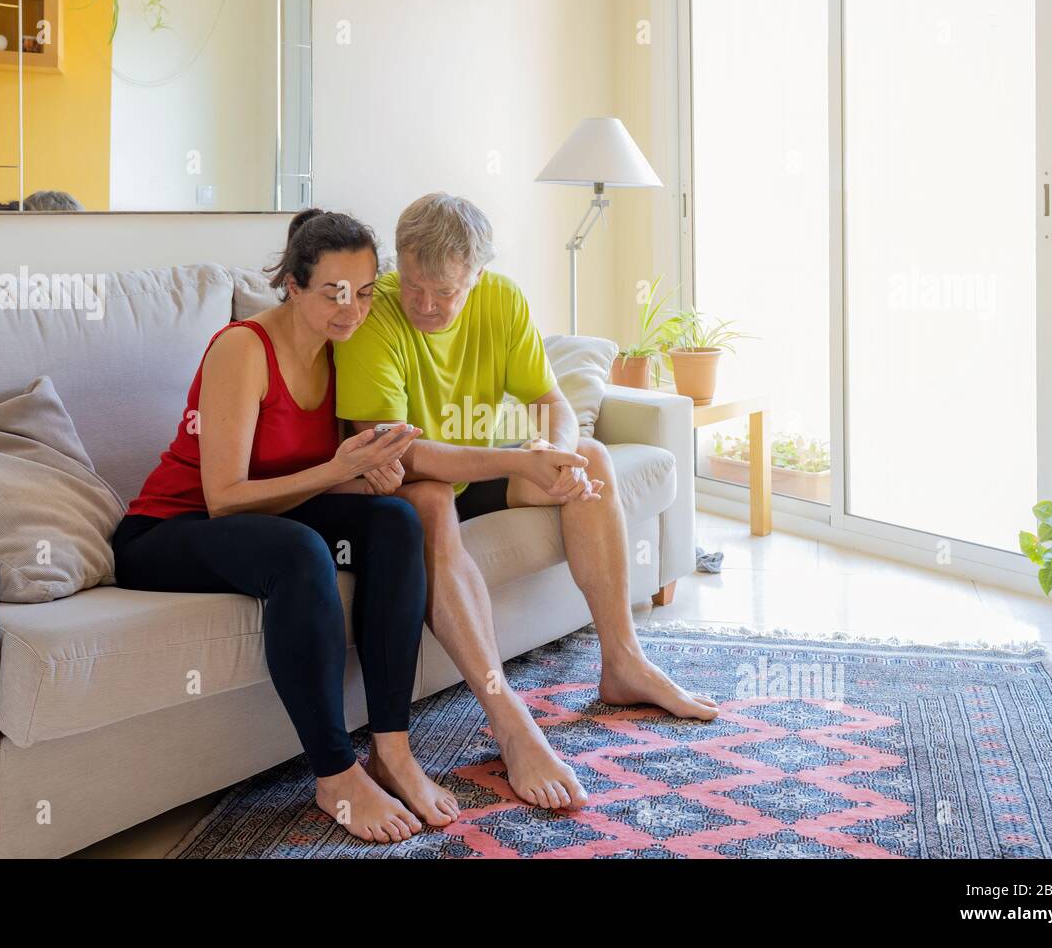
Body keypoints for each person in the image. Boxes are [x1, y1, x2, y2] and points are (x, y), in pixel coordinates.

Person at [335, 193, 720, 812]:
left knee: (591, 458)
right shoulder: (372, 312)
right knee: (431, 498)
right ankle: (510, 719)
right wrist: (521, 460)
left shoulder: (502, 299)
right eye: (412, 285)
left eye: (443, 292)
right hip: (398, 490)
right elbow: (396, 454)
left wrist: (559, 456)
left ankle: (623, 663)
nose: (424, 305)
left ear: (476, 277)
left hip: (476, 470)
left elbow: (551, 403)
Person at [112, 209, 459, 843]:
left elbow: (312, 482)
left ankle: (391, 748)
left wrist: (368, 477)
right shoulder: (243, 348)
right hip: (167, 531)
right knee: (301, 553)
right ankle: (334, 773)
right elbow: (224, 498)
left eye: (363, 291)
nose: (351, 309)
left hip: (268, 518)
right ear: (292, 286)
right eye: (332, 292)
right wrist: (336, 470)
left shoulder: (340, 353)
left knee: (394, 522)